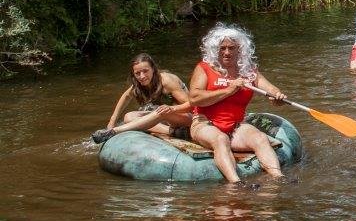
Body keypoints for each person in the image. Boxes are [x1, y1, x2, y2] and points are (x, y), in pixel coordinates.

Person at [189, 23, 288, 185]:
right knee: (221, 139)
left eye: (231, 48)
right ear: (215, 50)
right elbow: (194, 98)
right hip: (204, 123)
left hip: (236, 125)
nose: (227, 52)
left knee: (260, 138)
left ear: (239, 49)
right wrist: (229, 90)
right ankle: (236, 184)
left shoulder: (248, 71)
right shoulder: (204, 68)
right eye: (222, 48)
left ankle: (278, 178)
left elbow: (269, 88)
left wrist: (277, 95)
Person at [92, 53, 193, 144]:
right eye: (137, 73)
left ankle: (114, 132)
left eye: (145, 71)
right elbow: (126, 96)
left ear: (153, 69)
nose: (142, 76)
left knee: (161, 111)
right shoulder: (139, 84)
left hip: (188, 119)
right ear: (133, 74)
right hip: (167, 118)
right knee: (129, 117)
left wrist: (172, 109)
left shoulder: (166, 81)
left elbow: (193, 105)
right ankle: (173, 132)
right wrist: (112, 121)